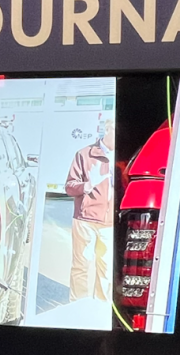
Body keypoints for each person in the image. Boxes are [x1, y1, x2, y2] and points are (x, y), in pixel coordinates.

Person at [65, 118, 115, 302]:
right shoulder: (84, 154)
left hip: (109, 223)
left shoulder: (120, 158)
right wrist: (88, 184)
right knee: (81, 266)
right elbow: (69, 187)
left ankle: (100, 308)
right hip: (85, 220)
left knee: (106, 268)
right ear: (108, 129)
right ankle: (77, 306)